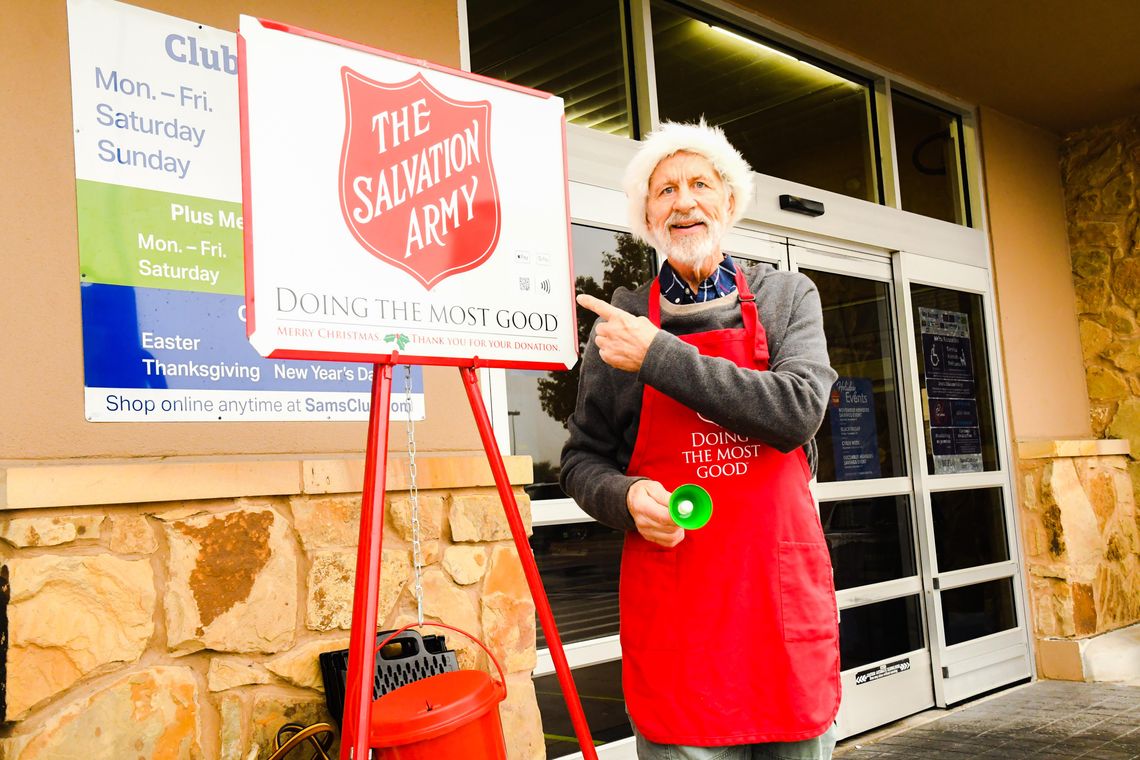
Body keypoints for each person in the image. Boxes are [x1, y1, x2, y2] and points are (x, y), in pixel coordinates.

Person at [560, 120, 841, 759]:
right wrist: (625, 497)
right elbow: (580, 460)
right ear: (647, 216)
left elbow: (797, 410)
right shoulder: (620, 322)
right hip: (681, 612)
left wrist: (658, 355)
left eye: (699, 184)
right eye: (664, 191)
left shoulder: (786, 296)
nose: (683, 201)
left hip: (776, 606)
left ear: (729, 201)